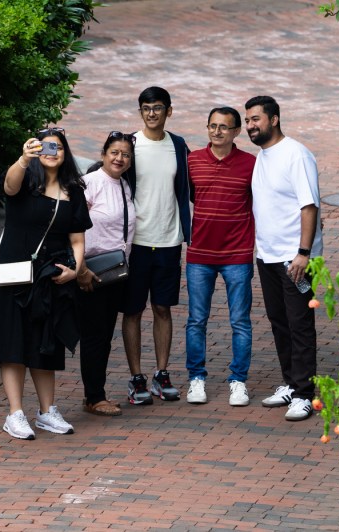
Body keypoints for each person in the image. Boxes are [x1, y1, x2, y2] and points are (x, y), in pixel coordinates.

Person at [0, 127, 92, 439]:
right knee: (13, 344)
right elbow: (8, 185)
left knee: (46, 342)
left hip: (50, 276)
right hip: (14, 274)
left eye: (56, 147)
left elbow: (78, 239)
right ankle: (15, 413)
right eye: (44, 146)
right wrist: (22, 158)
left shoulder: (73, 190)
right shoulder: (26, 180)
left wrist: (75, 270)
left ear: (65, 152)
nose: (50, 152)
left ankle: (47, 411)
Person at [244, 95, 323, 422]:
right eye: (247, 120)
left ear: (274, 119)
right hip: (268, 256)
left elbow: (310, 206)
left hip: (295, 259)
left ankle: (305, 393)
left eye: (255, 119)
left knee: (300, 323)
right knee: (279, 322)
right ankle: (291, 382)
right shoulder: (263, 156)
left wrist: (304, 254)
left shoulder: (296, 155)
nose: (250, 126)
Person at [122, 86, 191, 405]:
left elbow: (191, 188)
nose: (152, 113)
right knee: (133, 310)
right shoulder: (129, 145)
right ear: (141, 112)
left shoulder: (178, 146)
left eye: (158, 107)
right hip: (135, 243)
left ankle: (162, 374)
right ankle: (136, 378)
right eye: (146, 107)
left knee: (163, 308)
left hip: (168, 240)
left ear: (169, 111)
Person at [184, 107, 256, 407]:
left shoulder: (251, 164)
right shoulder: (193, 161)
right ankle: (196, 378)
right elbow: (191, 195)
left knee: (239, 321)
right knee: (196, 320)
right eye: (212, 126)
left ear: (237, 131)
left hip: (237, 254)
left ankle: (238, 381)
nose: (217, 132)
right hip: (199, 253)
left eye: (224, 127)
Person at [76, 131, 137, 417]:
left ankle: (95, 394)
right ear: (103, 154)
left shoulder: (123, 185)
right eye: (114, 152)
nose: (120, 158)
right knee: (93, 335)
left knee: (102, 335)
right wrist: (81, 269)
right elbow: (72, 227)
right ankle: (94, 397)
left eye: (125, 154)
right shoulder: (90, 183)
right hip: (91, 272)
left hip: (114, 273)